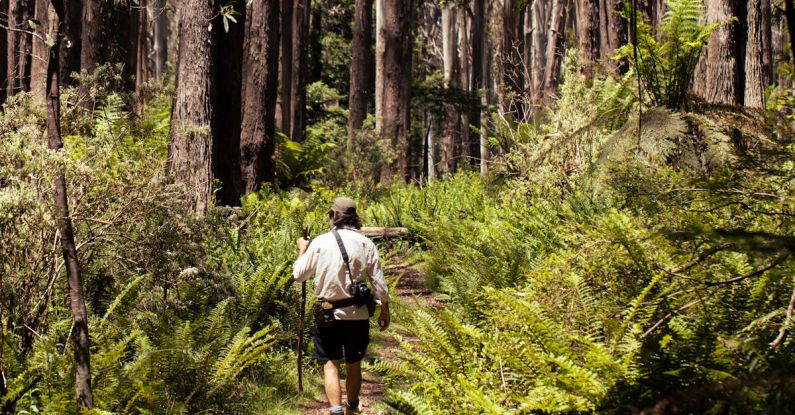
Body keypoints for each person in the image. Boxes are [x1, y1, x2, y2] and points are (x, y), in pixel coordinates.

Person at [294, 196, 390, 415]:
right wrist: (384, 309)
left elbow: (299, 275)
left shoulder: (320, 241)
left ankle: (335, 411)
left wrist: (302, 249)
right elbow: (378, 282)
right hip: (358, 315)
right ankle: (352, 408)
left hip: (327, 315)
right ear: (354, 218)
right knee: (354, 363)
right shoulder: (366, 243)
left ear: (333, 215)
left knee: (330, 364)